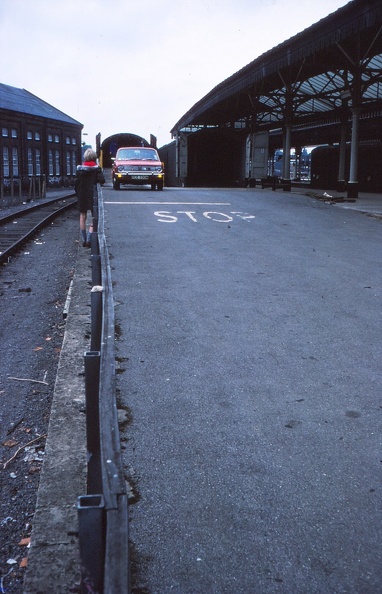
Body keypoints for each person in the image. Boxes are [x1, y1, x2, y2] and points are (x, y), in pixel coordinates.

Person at [74, 148, 105, 247]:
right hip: (93, 195)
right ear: (94, 157)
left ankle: (83, 240)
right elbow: (102, 180)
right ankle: (89, 239)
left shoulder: (80, 170)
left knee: (82, 216)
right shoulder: (97, 169)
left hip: (82, 195)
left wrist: (78, 193)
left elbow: (76, 184)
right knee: (93, 218)